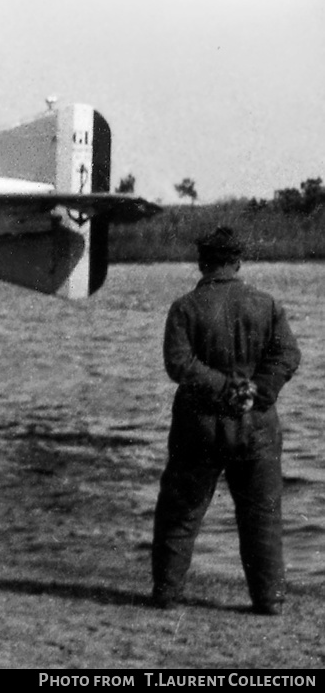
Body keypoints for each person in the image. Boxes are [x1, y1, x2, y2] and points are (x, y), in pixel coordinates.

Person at [152, 227, 300, 614]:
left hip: (197, 426)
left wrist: (225, 387)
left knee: (181, 513)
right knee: (262, 517)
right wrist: (255, 392)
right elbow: (288, 356)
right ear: (238, 262)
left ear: (202, 263)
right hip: (257, 426)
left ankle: (167, 594)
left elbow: (179, 365)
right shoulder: (266, 304)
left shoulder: (185, 308)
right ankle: (269, 600)